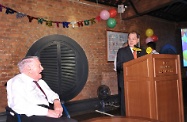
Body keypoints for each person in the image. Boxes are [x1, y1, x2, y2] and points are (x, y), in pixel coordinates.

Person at [6, 56, 77, 122]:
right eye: (39, 66)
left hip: (45, 112)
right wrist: (47, 112)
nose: (42, 68)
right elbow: (19, 106)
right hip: (30, 115)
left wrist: (56, 102)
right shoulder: (17, 82)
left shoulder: (40, 82)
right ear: (29, 69)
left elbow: (51, 94)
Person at [116, 31, 146, 116]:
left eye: (133, 39)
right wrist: (130, 66)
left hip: (140, 82)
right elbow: (118, 66)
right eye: (129, 39)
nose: (131, 41)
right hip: (126, 82)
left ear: (137, 40)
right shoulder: (122, 51)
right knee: (125, 105)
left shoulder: (142, 51)